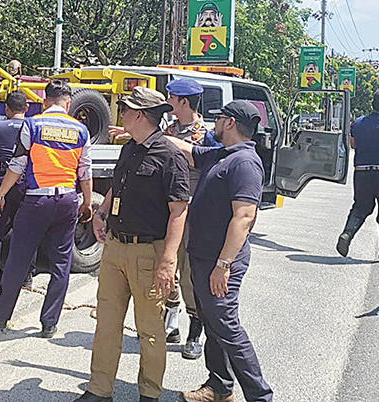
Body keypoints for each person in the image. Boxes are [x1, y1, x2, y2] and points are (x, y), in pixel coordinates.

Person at [75, 87, 190, 402]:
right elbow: (117, 188)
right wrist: (100, 213)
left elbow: (179, 211)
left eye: (125, 109)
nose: (121, 114)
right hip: (115, 249)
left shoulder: (170, 156)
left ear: (140, 115)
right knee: (107, 324)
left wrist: (168, 261)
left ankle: (149, 395)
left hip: (148, 254)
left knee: (150, 331)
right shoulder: (129, 149)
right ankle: (99, 390)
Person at [166, 100, 273, 402]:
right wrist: (148, 132)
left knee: (226, 326)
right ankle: (219, 386)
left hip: (221, 262)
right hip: (203, 256)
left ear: (229, 123)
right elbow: (186, 150)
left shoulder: (245, 163)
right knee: (213, 324)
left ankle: (260, 396)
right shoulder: (221, 154)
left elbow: (244, 217)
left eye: (219, 118)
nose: (214, 122)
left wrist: (223, 265)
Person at [0, 79, 92, 338]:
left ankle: (0, 314)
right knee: (61, 262)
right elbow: (84, 170)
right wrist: (88, 202)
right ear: (68, 102)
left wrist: (0, 194)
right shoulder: (81, 130)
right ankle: (49, 323)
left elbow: (17, 164)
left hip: (38, 200)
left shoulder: (33, 124)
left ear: (45, 101)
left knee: (19, 258)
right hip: (68, 201)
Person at [162, 77, 219, 361]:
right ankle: (170, 325)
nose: (167, 102)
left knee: (188, 276)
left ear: (184, 102)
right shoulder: (169, 128)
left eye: (171, 98)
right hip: (166, 209)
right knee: (164, 270)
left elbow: (210, 165)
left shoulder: (206, 134)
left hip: (191, 212)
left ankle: (195, 333)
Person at [336, 91, 379, 262]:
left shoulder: (357, 123)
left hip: (361, 172)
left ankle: (347, 234)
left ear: (372, 104)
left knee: (360, 206)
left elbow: (353, 145)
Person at [0, 91, 35, 292]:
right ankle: (26, 277)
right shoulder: (33, 126)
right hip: (24, 184)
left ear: (7, 109)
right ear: (26, 108)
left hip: (0, 181)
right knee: (26, 231)